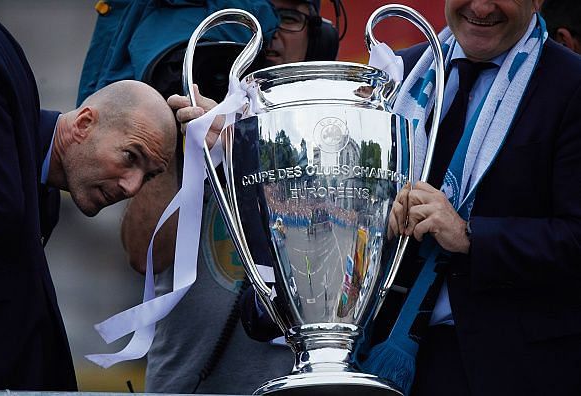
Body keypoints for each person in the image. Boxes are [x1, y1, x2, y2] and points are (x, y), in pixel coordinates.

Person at [241, 1, 581, 395]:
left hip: (508, 368)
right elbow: (327, 210)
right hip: (370, 355)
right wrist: (366, 220)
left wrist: (470, 236)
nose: (482, 7)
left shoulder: (571, 85)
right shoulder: (394, 76)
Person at [120, 0, 339, 393]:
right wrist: (180, 150)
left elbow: (334, 266)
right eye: (251, 14)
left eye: (286, 18)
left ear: (317, 36)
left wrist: (244, 151)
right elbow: (142, 254)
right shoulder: (192, 119)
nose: (267, 33)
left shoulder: (337, 134)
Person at [0, 12, 176, 391]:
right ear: (84, 123)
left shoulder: (35, 187)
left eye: (149, 175)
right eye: (130, 157)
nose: (133, 186)